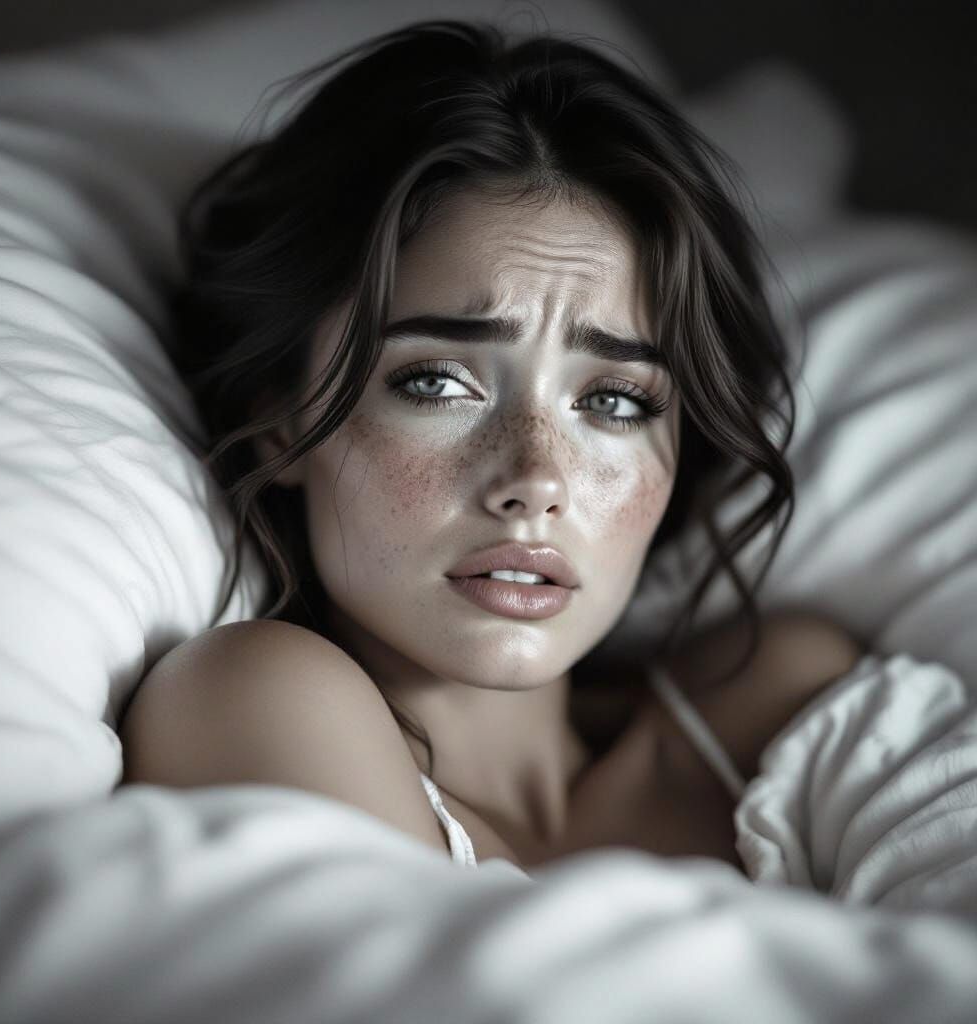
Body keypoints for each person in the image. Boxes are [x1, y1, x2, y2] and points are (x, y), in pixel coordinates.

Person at [118, 20, 863, 874]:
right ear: (284, 417)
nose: (536, 480)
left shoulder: (780, 698)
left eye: (614, 399)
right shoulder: (250, 700)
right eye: (437, 382)